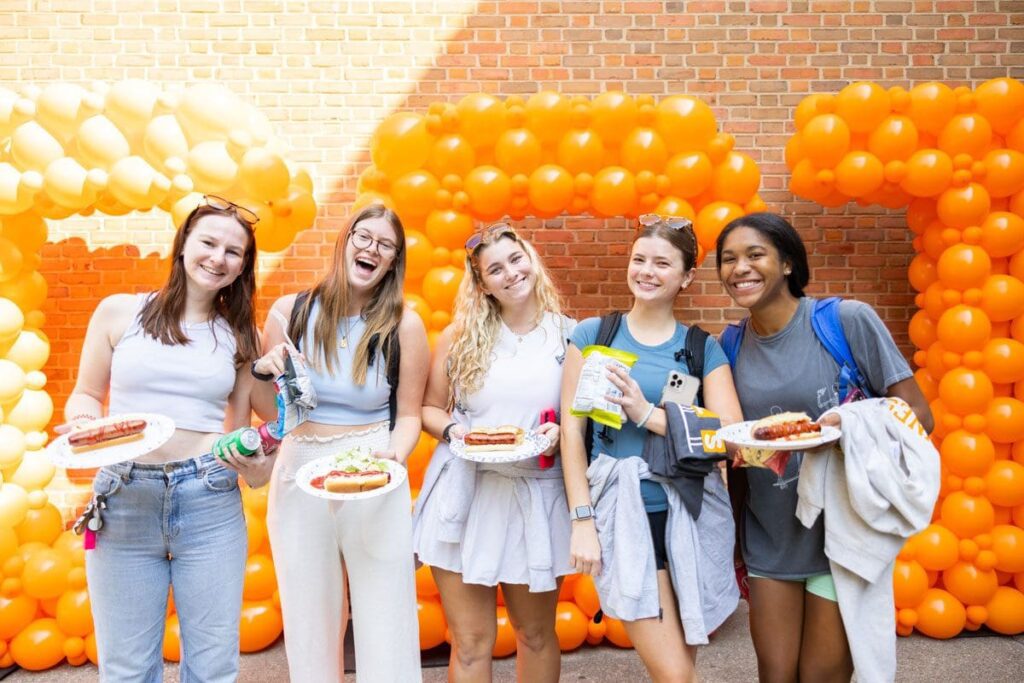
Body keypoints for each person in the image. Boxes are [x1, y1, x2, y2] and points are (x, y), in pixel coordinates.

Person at [714, 212, 933, 683]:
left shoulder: (844, 321)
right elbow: (730, 444)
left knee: (822, 676)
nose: (740, 269)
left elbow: (919, 415)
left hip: (843, 537)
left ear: (788, 262)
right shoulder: (728, 345)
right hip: (769, 536)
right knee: (775, 675)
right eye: (728, 259)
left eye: (755, 255)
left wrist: (846, 424)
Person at [62, 195, 272, 682]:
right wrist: (83, 424)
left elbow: (248, 429)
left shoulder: (241, 336)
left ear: (243, 268)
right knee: (127, 669)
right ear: (183, 245)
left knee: (213, 666)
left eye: (233, 252)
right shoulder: (120, 313)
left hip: (209, 498)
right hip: (123, 495)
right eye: (209, 243)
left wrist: (260, 466)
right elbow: (86, 396)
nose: (218, 258)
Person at [560, 214, 743, 683]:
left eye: (662, 263)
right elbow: (570, 435)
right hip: (623, 515)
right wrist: (582, 521)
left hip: (691, 515)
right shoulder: (593, 336)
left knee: (677, 672)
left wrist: (646, 414)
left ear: (686, 276)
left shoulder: (702, 348)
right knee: (677, 675)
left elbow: (730, 436)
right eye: (639, 259)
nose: (646, 271)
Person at [251, 203, 429, 683]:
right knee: (308, 611)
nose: (371, 249)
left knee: (386, 607)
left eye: (385, 245)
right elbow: (274, 415)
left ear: (394, 261)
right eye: (363, 237)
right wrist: (267, 373)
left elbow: (410, 415)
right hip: (300, 467)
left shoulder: (404, 325)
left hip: (372, 465)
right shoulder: (289, 313)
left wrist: (395, 454)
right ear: (345, 241)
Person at [412, 222, 571, 683]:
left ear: (531, 260)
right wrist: (455, 435)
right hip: (464, 497)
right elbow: (427, 408)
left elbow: (579, 417)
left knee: (537, 634)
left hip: (534, 499)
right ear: (482, 283)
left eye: (516, 259)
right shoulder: (459, 338)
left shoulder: (570, 336)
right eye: (495, 269)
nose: (510, 273)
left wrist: (561, 433)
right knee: (471, 642)